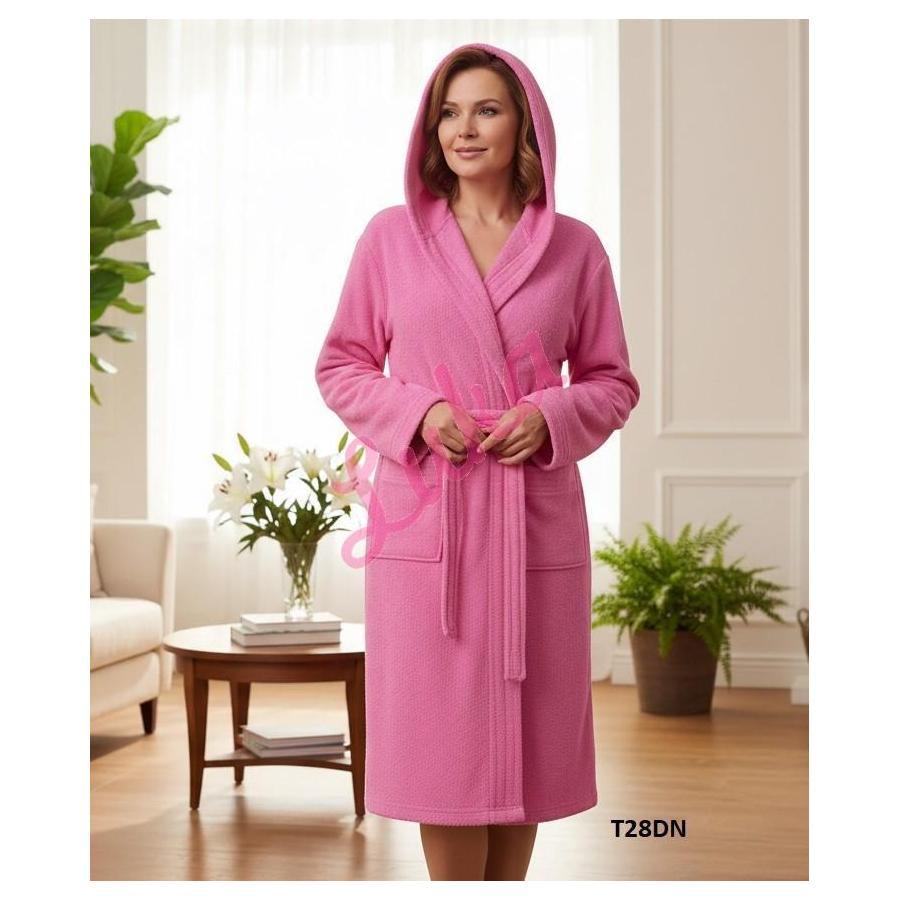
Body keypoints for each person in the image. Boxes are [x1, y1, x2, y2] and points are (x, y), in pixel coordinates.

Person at [315, 42, 640, 880]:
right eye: (450, 112)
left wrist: (550, 414)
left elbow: (612, 381)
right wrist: (419, 412)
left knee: (525, 762)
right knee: (446, 765)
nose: (464, 129)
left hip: (534, 525)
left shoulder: (574, 248)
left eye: (486, 110)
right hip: (432, 528)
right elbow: (342, 365)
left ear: (523, 125)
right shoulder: (390, 240)